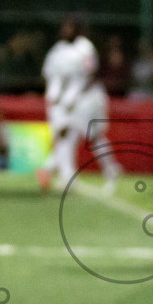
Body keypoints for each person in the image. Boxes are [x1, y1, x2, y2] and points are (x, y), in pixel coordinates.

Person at [37, 17, 122, 193]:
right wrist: (57, 97)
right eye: (64, 26)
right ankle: (65, 175)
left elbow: (89, 75)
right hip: (66, 101)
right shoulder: (58, 50)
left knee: (93, 136)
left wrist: (73, 97)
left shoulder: (85, 48)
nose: (66, 30)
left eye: (70, 26)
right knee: (65, 135)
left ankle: (110, 169)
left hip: (88, 97)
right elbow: (50, 76)